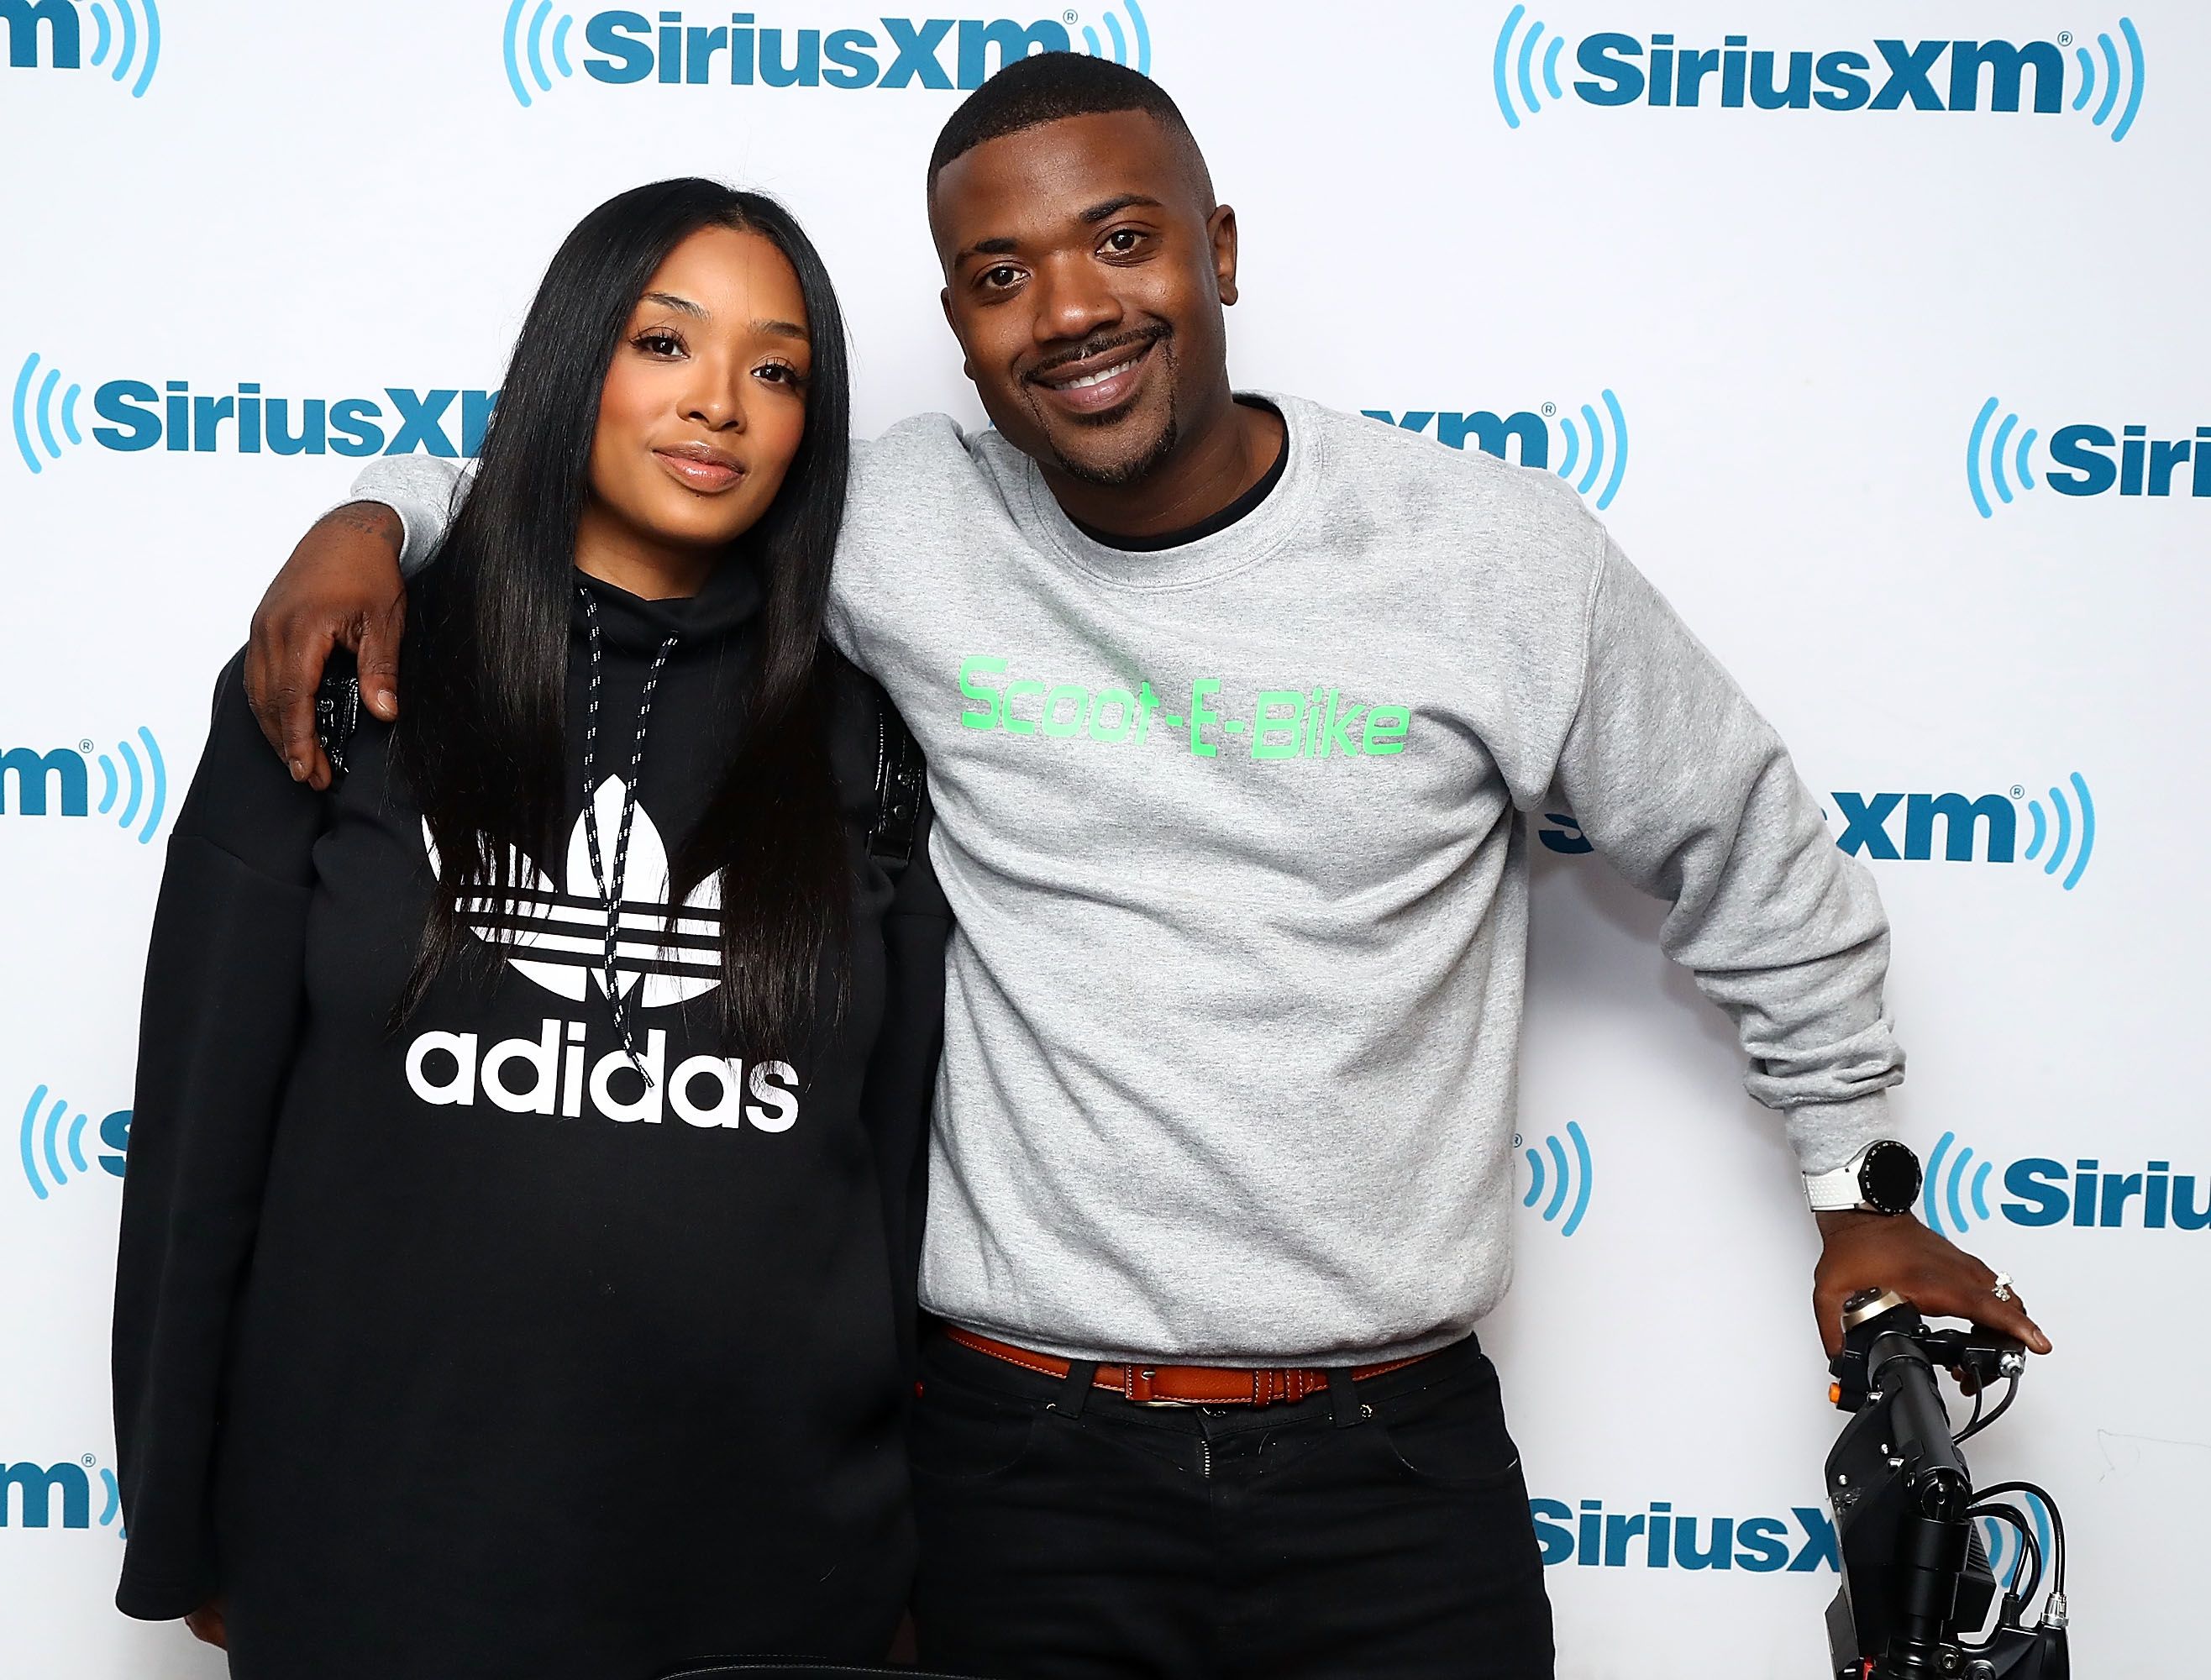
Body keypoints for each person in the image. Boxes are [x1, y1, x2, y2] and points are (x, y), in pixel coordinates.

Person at [237, 58, 2049, 1680]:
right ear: (954, 326)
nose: (1071, 310)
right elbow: (623, 477)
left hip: (1392, 1464)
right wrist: (380, 517)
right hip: (1019, 1463)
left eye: (1121, 242)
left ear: (1222, 250)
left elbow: (1752, 844)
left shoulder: (1488, 556)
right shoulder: (897, 522)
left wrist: (1860, 1188)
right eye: (1001, 277)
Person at [110, 178, 950, 1680]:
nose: (719, 407)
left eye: (777, 371)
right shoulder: (347, 676)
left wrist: (913, 1558)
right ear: (575, 360)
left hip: (773, 1574)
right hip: (373, 1546)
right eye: (664, 344)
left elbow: (891, 1187)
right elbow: (197, 1144)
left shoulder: (873, 737)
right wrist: (181, 1518)